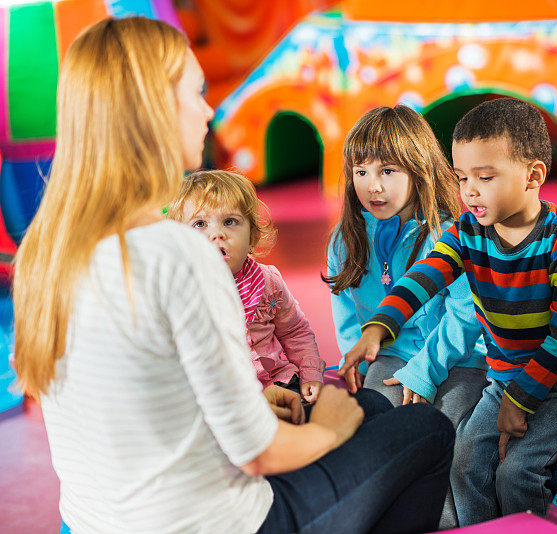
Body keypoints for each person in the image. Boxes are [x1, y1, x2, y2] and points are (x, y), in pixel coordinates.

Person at [13, 17, 454, 534]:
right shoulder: (177, 253)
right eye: (195, 93)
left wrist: (259, 401)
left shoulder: (45, 250)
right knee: (427, 428)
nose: (208, 110)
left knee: (372, 409)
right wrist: (328, 433)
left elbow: (140, 399)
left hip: (96, 521)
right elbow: (256, 454)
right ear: (153, 110)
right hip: (220, 522)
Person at [340, 97, 557, 524]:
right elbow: (424, 277)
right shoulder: (466, 233)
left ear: (533, 175)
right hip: (506, 377)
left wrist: (519, 402)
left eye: (484, 177)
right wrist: (380, 325)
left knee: (516, 474)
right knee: (465, 462)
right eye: (462, 177)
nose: (469, 191)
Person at [324, 105, 488, 529]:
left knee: (446, 439)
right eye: (360, 172)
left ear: (419, 170)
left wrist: (426, 371)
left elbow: (466, 316)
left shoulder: (447, 234)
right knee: (374, 429)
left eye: (388, 171)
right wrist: (356, 360)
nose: (372, 186)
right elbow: (346, 311)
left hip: (458, 359)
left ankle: (459, 524)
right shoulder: (345, 239)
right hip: (391, 359)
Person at [168, 170, 325, 401]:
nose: (217, 234)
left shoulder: (268, 281)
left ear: (252, 236)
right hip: (225, 400)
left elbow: (295, 331)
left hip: (279, 383)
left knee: (313, 414)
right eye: (200, 224)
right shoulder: (180, 293)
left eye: (230, 222)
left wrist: (310, 373)